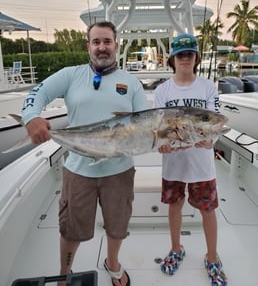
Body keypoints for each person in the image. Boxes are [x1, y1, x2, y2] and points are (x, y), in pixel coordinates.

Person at [21, 21, 148, 286]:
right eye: (96, 42)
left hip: (119, 171)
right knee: (71, 229)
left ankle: (112, 265)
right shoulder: (70, 75)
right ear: (88, 46)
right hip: (78, 170)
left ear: (116, 45)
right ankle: (64, 274)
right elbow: (38, 92)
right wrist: (31, 117)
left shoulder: (132, 83)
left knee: (118, 226)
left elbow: (143, 126)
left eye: (107, 42)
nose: (102, 47)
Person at [154, 33, 227, 286]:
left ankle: (212, 256)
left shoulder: (208, 87)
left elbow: (215, 121)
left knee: (208, 210)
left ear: (196, 58)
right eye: (180, 54)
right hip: (173, 164)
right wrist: (162, 144)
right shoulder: (162, 90)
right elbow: (159, 128)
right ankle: (176, 249)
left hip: (201, 164)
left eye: (190, 54)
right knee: (174, 206)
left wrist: (212, 142)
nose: (185, 58)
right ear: (173, 58)